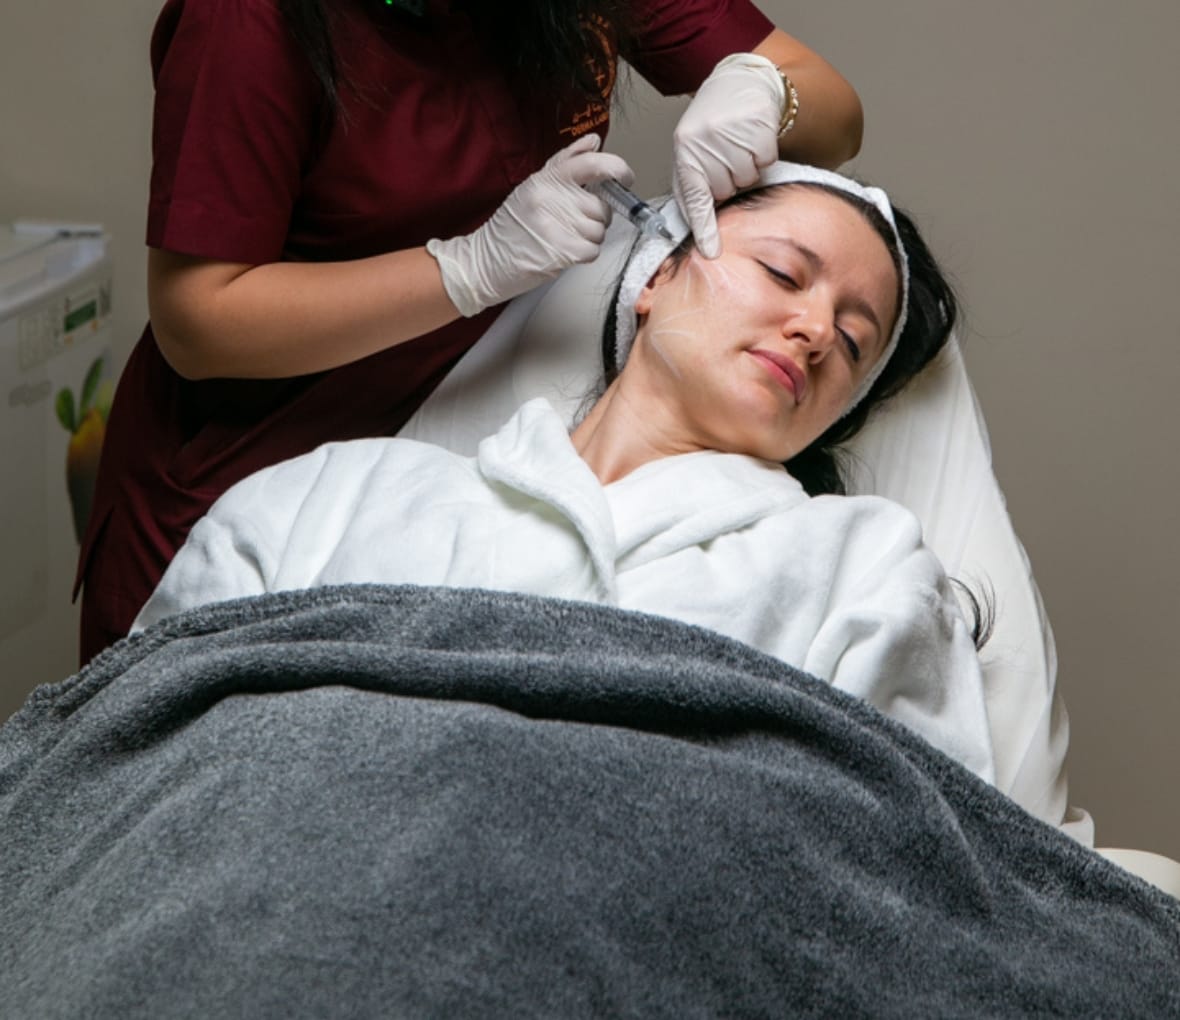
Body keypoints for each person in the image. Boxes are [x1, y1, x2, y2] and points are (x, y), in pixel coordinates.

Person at [132, 164, 997, 785]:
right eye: (782, 272)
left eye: (852, 342)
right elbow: (128, 745)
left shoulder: (861, 566)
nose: (813, 327)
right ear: (657, 275)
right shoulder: (331, 493)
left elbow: (920, 868)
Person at [75, 0, 865, 666]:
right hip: (244, 469)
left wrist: (767, 90)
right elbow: (200, 319)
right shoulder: (250, 21)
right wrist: (466, 270)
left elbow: (833, 110)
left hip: (445, 456)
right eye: (783, 278)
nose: (813, 330)